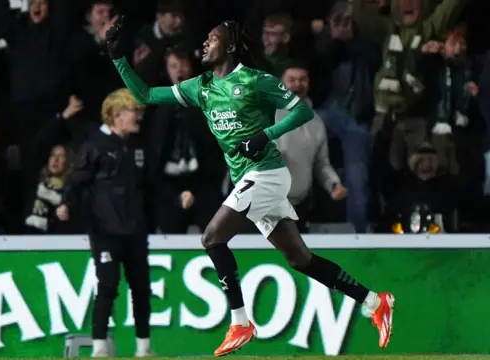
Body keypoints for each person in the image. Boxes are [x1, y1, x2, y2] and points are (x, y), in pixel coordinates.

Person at [106, 18, 395, 356]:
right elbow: (144, 94)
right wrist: (118, 57)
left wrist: (265, 135)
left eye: (212, 39)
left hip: (267, 173)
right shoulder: (200, 87)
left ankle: (241, 321)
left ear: (229, 47)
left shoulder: (255, 81)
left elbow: (302, 111)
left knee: (211, 238)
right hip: (249, 178)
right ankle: (375, 301)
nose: (204, 44)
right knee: (300, 259)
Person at [57, 89, 152, 357]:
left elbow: (148, 185)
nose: (139, 117)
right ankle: (99, 346)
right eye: (134, 111)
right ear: (115, 115)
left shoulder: (138, 146)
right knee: (108, 286)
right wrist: (66, 203)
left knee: (141, 288)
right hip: (105, 230)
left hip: (135, 230)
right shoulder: (94, 145)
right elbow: (77, 179)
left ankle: (144, 348)